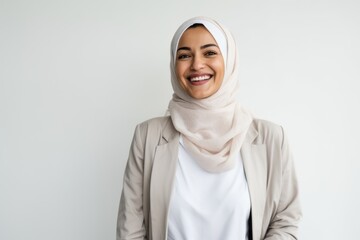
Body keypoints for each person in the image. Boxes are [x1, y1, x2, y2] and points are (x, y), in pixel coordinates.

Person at [117, 16, 301, 240]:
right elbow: (131, 227)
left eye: (210, 52)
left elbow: (286, 220)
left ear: (229, 59)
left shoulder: (270, 138)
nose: (196, 64)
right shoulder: (148, 136)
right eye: (184, 55)